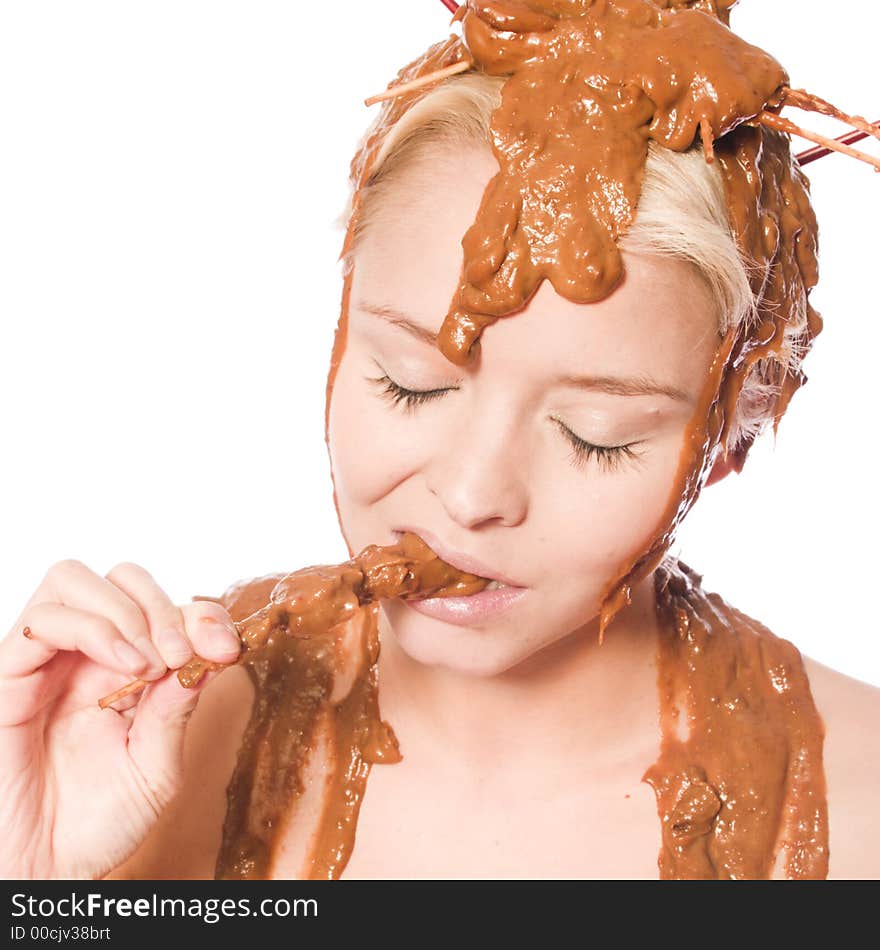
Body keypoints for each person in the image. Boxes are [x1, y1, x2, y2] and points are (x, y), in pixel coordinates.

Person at [2, 64, 878, 881]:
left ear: (729, 442)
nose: (470, 497)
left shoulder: (855, 808)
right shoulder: (137, 745)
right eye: (410, 385)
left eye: (594, 437)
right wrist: (35, 881)